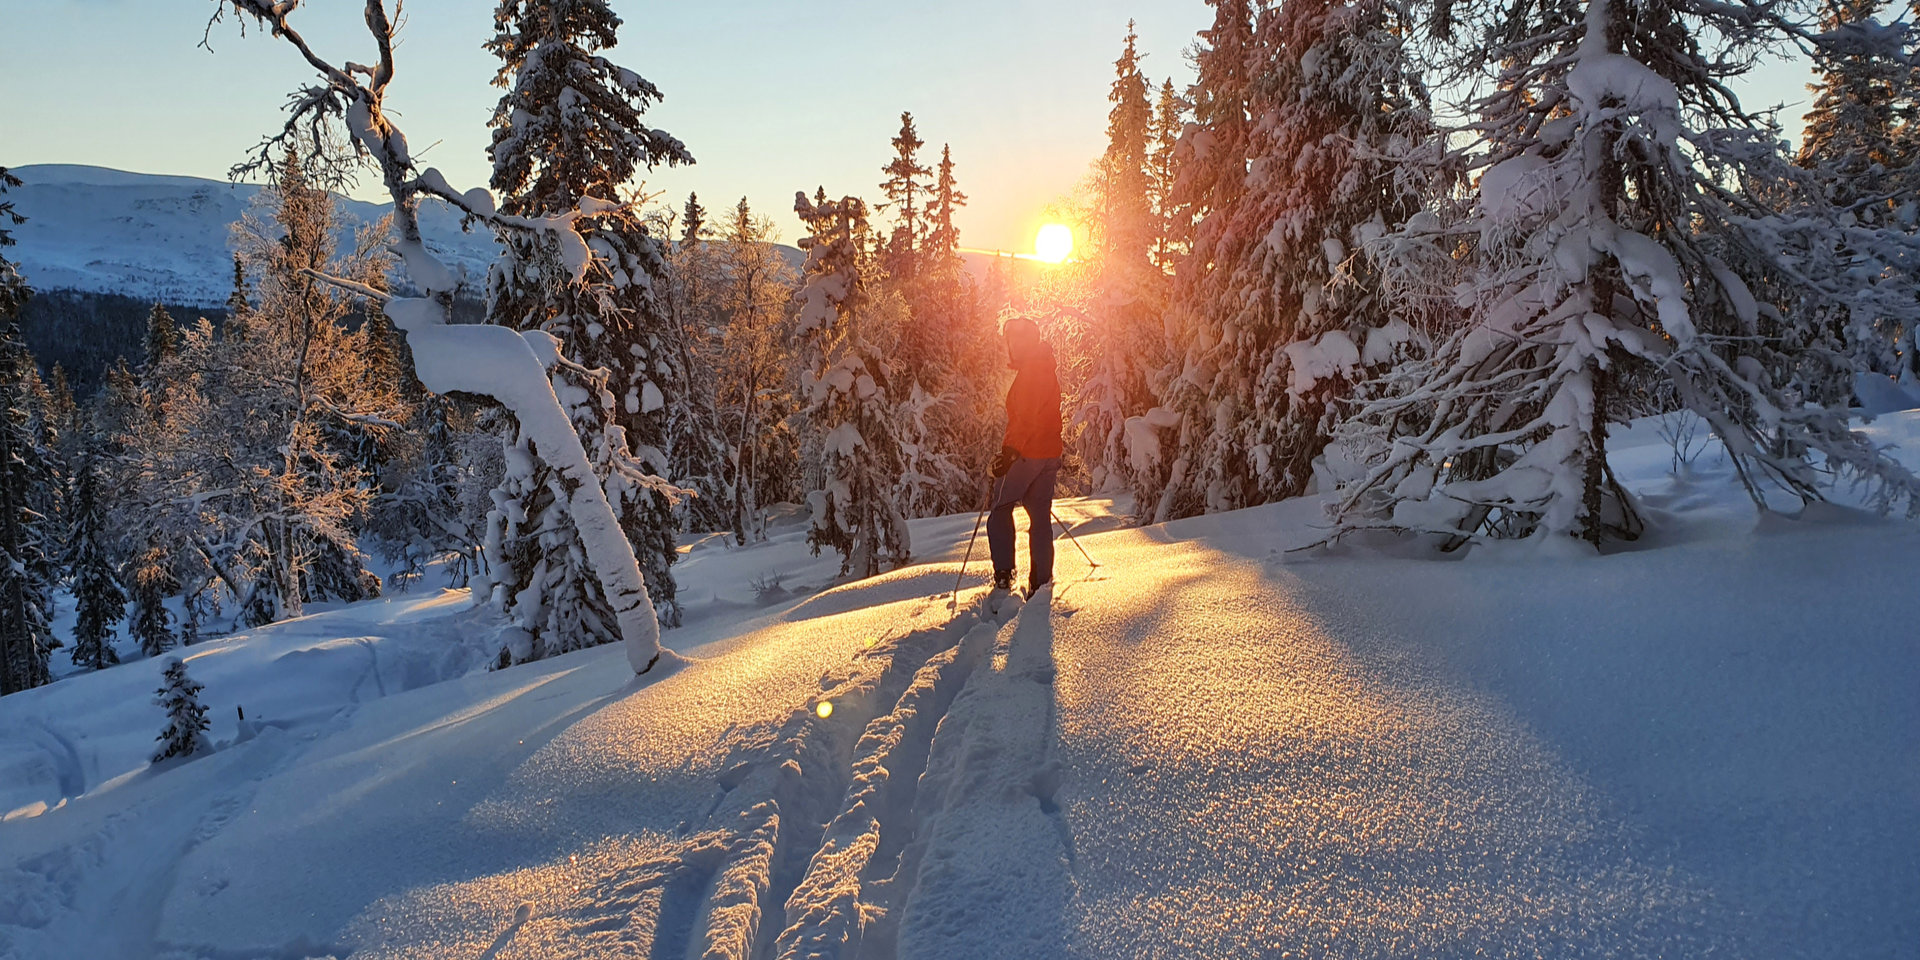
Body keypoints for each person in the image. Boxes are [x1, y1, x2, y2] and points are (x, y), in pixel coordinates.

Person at [987, 316, 1063, 594]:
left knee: (1000, 509)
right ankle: (1041, 581)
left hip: (1026, 454)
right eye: (1011, 341)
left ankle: (1004, 574)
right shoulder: (1045, 367)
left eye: (1019, 341)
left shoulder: (1032, 371)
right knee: (1040, 515)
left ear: (1029, 342)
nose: (1013, 346)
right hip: (1049, 454)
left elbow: (1026, 418)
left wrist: (1009, 453)